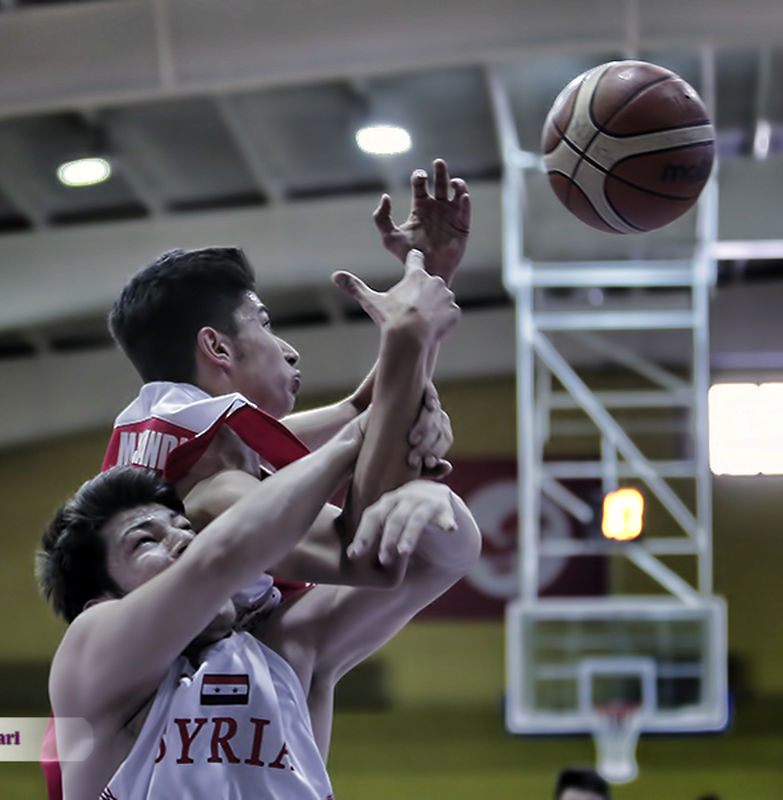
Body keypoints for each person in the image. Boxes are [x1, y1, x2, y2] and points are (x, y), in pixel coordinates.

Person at [39, 160, 470, 797]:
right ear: (216, 348)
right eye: (266, 323)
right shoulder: (208, 490)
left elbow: (365, 413)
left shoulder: (194, 438)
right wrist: (407, 352)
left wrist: (424, 281)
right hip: (130, 701)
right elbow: (365, 543)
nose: (290, 349)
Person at [38, 412, 481, 799]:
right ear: (103, 601)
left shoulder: (282, 650)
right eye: (145, 541)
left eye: (181, 526)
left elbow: (440, 562)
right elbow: (217, 560)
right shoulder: (90, 657)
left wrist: (435, 502)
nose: (184, 538)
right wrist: (354, 437)